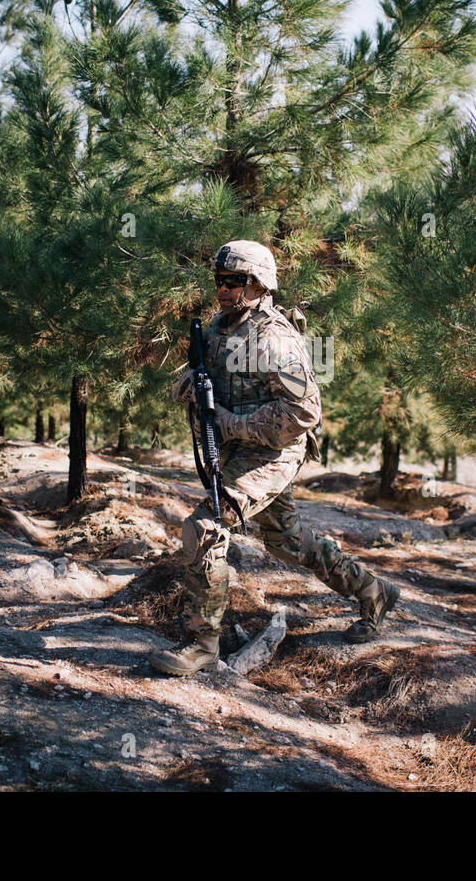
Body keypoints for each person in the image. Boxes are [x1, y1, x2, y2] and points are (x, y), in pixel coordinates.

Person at [149, 240, 401, 677]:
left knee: (206, 526)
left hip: (275, 451)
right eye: (219, 281)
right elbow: (206, 374)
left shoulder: (274, 338)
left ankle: (202, 645)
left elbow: (303, 413)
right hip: (240, 449)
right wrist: (187, 383)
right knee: (286, 540)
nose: (223, 289)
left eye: (233, 282)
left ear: (257, 284)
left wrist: (230, 425)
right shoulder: (219, 326)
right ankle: (373, 592)